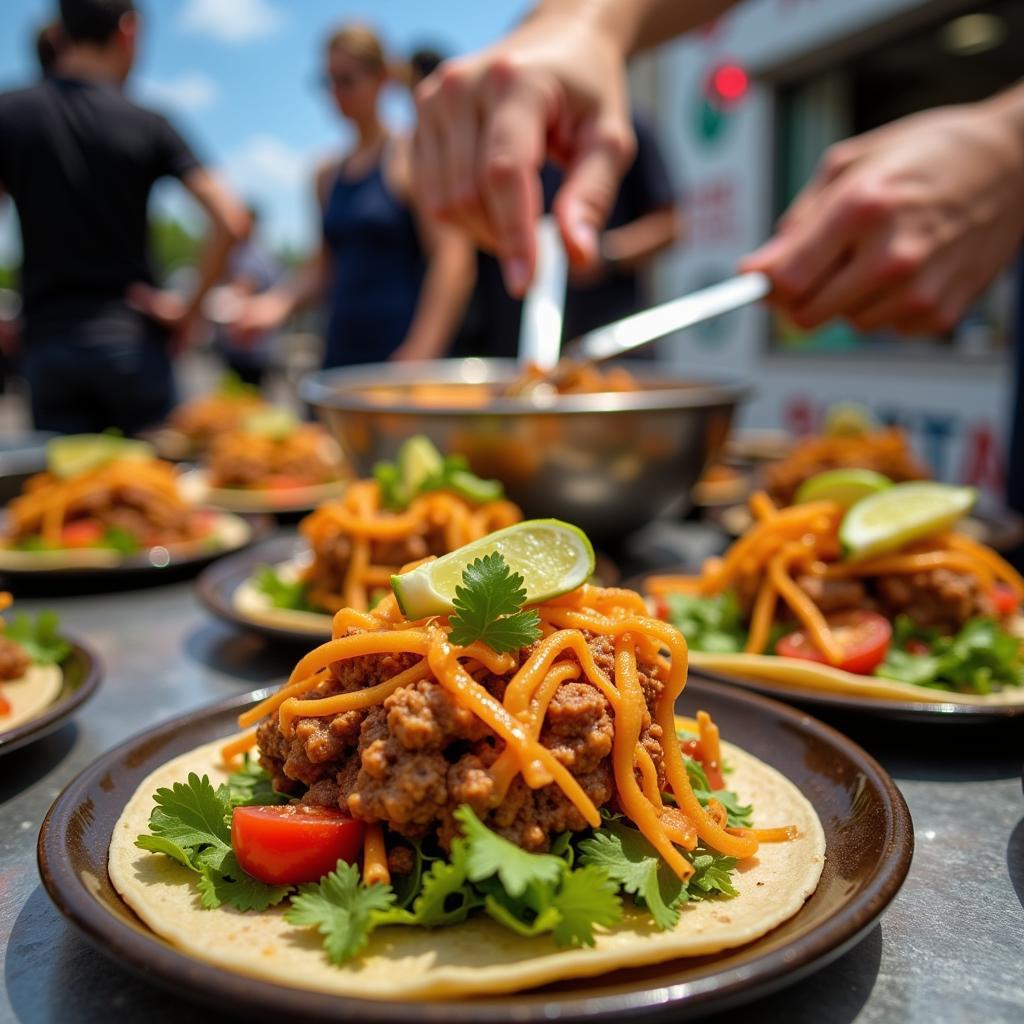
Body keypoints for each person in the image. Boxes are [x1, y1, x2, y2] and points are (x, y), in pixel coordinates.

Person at [0, 0, 249, 435]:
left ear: (61, 33)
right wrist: (187, 312)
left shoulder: (12, 113)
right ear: (128, 31)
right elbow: (231, 219)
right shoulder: (148, 122)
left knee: (65, 494)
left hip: (48, 341)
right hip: (132, 340)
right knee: (154, 492)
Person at [232, 24, 474, 367]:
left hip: (398, 355)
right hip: (340, 352)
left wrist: (421, 351)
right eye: (328, 81)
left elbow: (452, 258)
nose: (335, 94)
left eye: (346, 80)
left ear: (381, 80)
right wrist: (274, 305)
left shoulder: (411, 158)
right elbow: (324, 266)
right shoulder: (325, 174)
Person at [210, 206, 281, 388]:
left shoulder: (255, 255)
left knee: (249, 398)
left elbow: (243, 287)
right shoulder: (242, 253)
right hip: (234, 346)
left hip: (253, 347)